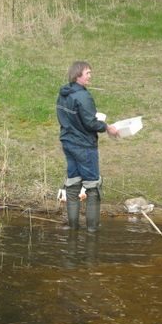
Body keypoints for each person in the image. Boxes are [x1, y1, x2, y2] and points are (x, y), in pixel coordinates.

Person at [56, 61, 119, 231]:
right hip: (84, 145)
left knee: (73, 182)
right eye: (87, 73)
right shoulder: (83, 96)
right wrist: (107, 127)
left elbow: (65, 118)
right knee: (92, 186)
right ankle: (92, 230)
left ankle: (73, 227)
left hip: (68, 143)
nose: (90, 76)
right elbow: (91, 123)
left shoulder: (63, 94)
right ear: (78, 76)